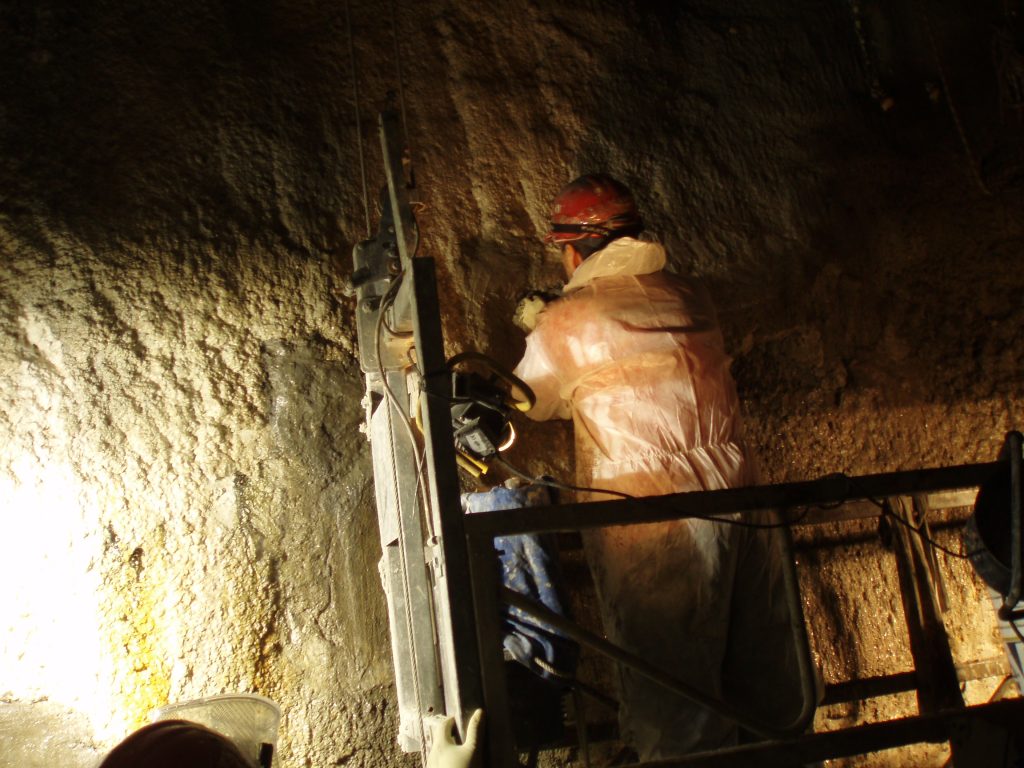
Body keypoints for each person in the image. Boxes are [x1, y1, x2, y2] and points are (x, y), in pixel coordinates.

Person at [513, 174, 800, 759]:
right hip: (741, 496)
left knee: (678, 705)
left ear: (571, 251)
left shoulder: (567, 322)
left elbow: (530, 399)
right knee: (769, 686)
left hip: (654, 517)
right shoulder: (689, 295)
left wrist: (539, 324)